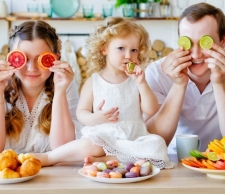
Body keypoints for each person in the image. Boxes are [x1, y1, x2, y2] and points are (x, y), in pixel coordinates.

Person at [33, 17, 173, 169]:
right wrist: (96, 117)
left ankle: (107, 159)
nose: (128, 55)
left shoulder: (137, 80)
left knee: (157, 145)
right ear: (104, 48)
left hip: (133, 138)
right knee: (89, 145)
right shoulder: (94, 81)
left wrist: (142, 83)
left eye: (134, 50)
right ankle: (49, 157)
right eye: (121, 48)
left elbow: (151, 110)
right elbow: (81, 113)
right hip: (103, 136)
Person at [145, 2, 225, 154]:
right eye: (188, 42)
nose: (196, 54)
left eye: (206, 43)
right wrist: (179, 85)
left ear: (223, 41)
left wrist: (220, 83)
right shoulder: (156, 72)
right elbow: (151, 142)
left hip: (223, 162)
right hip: (172, 161)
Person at [0, 20, 81, 153]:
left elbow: (63, 150)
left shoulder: (65, 85)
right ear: (10, 58)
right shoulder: (2, 84)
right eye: (24, 59)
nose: (32, 68)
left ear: (56, 59)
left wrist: (60, 92)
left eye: (41, 59)